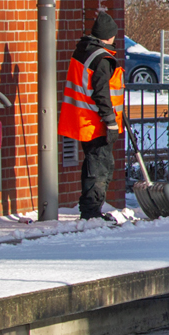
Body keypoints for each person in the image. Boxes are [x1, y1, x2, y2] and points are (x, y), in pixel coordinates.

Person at [60, 12, 125, 220]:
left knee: (94, 164)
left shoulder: (83, 51)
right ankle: (91, 212)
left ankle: (91, 210)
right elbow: (101, 93)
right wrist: (111, 122)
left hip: (82, 119)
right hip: (95, 122)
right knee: (99, 167)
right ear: (110, 36)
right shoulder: (102, 59)